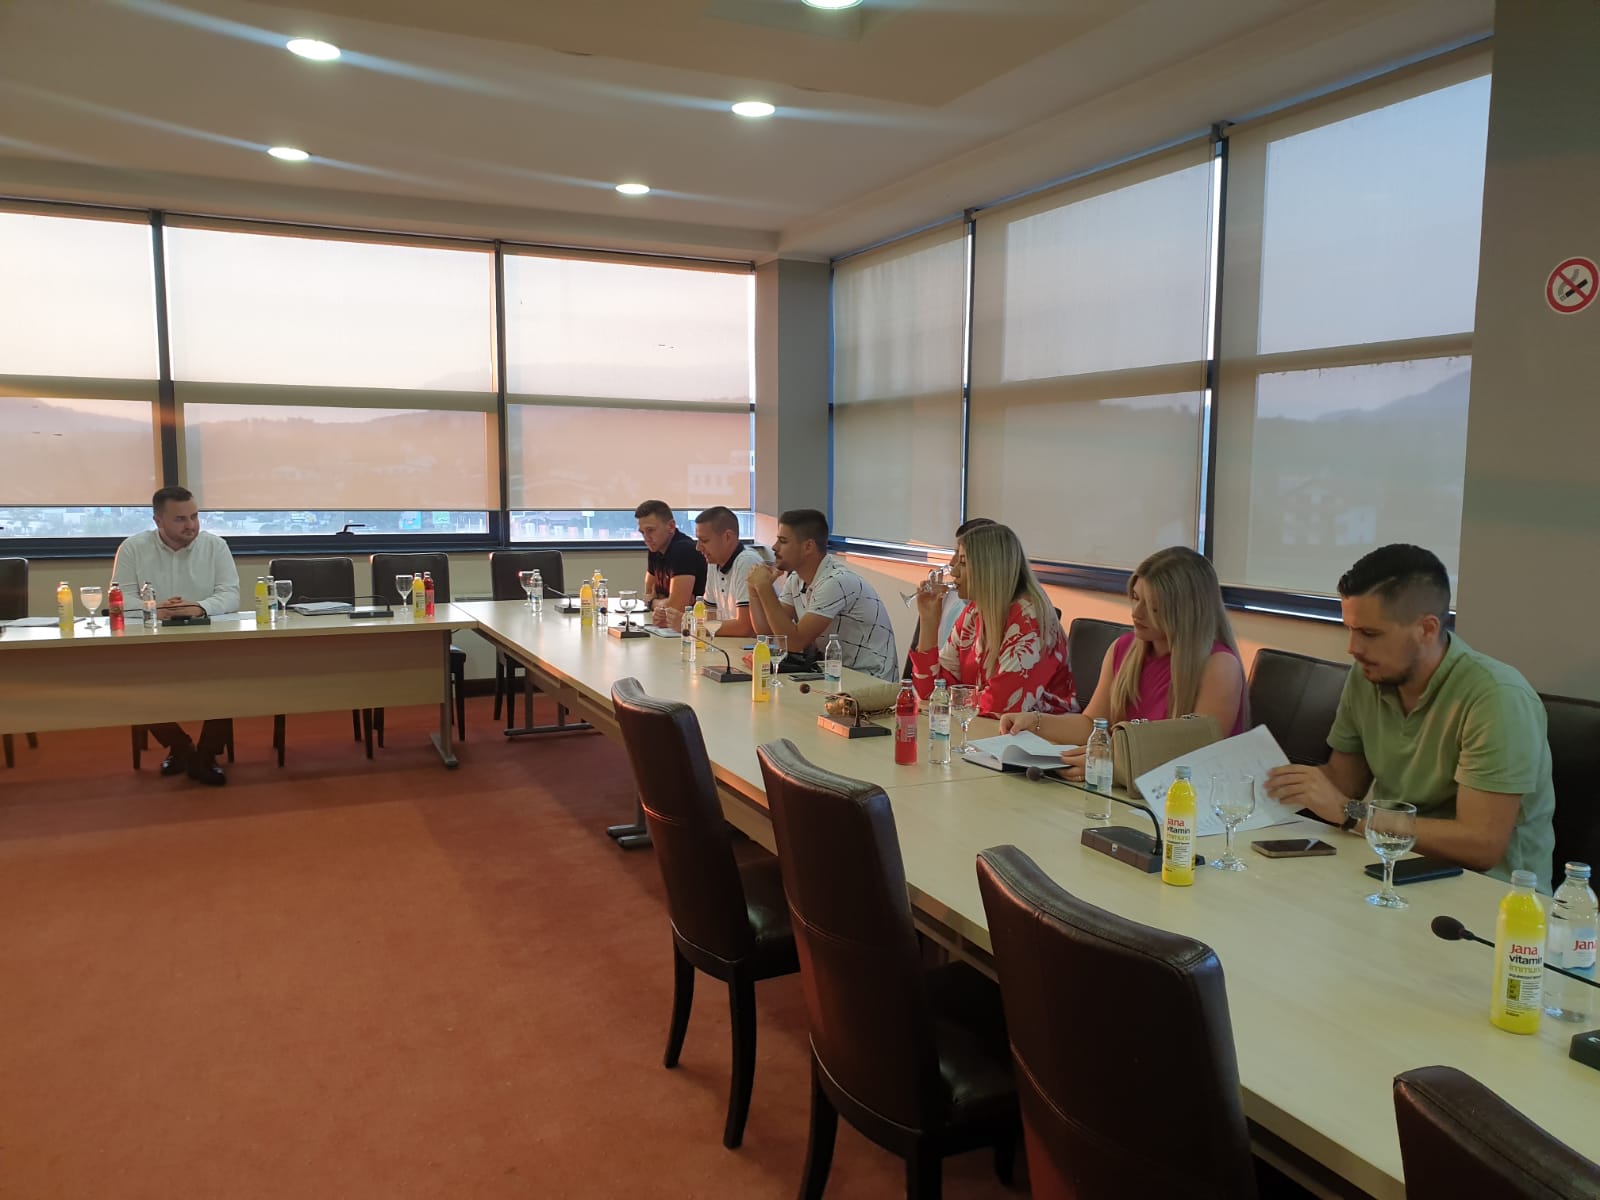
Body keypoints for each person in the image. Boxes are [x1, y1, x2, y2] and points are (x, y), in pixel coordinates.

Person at [1265, 544, 1555, 887]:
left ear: (1427, 629)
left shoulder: (1496, 698)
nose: (1353, 648)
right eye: (1350, 629)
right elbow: (1343, 784)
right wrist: (1268, 782)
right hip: (1388, 868)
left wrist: (1351, 814)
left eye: (1370, 633)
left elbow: (1480, 845)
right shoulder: (1368, 676)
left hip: (1490, 895)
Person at [1001, 546, 1247, 779]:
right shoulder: (1124, 649)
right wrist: (1036, 722)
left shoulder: (1219, 666)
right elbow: (1092, 724)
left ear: (1185, 611)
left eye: (1153, 607)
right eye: (1135, 598)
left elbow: (1197, 756)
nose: (1136, 612)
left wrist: (1112, 766)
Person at [110, 485, 241, 786]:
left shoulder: (215, 546)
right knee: (133, 685)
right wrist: (156, 609)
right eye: (180, 519)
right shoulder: (132, 548)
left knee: (232, 678)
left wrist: (198, 607)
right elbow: (119, 600)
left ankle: (206, 755)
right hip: (153, 644)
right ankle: (180, 747)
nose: (191, 525)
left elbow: (231, 596)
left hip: (208, 641)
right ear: (158, 521)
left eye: (194, 516)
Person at [908, 522, 1074, 719]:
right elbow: (931, 691)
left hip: (1039, 735)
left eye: (963, 563)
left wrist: (946, 700)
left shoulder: (1030, 620)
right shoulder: (974, 612)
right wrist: (929, 621)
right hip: (984, 729)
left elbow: (999, 707)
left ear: (988, 569)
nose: (953, 572)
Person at [746, 508, 898, 680]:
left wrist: (765, 587)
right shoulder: (796, 579)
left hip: (870, 678)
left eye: (783, 541)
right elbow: (767, 632)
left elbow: (793, 643)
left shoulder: (835, 581)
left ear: (808, 546)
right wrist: (754, 590)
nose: (774, 547)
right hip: (833, 672)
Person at [692, 505, 760, 638]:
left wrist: (692, 626)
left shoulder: (747, 562)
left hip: (752, 648)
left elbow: (746, 628)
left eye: (704, 540)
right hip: (730, 645)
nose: (698, 547)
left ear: (728, 537)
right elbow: (708, 615)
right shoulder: (713, 562)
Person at [635, 500, 706, 626]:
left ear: (671, 526)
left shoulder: (683, 549)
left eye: (650, 530)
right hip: (669, 627)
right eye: (642, 532)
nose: (646, 537)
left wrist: (654, 602)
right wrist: (657, 602)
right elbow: (648, 595)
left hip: (695, 626)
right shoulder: (655, 548)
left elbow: (676, 609)